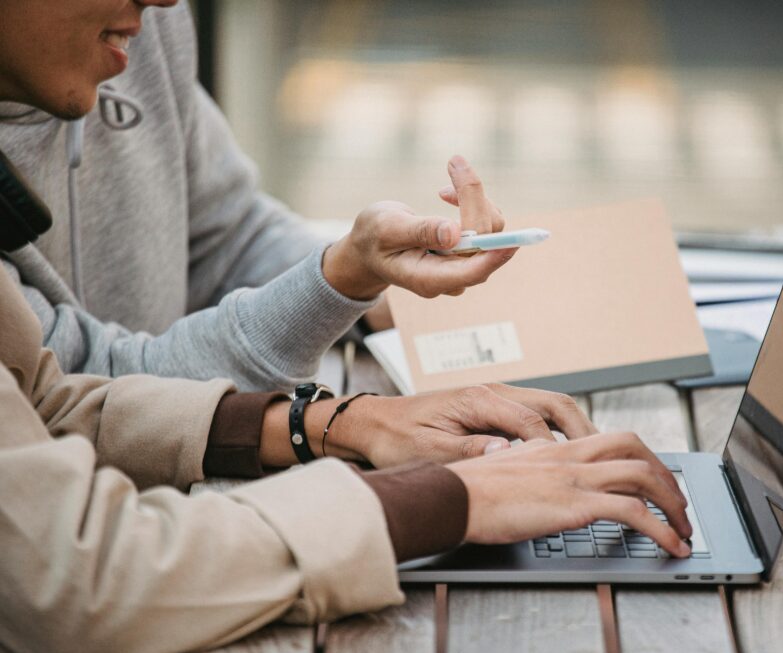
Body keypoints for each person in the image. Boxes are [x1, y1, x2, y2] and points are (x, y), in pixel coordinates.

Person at [0, 1, 693, 653]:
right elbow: (73, 582)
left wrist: (331, 411)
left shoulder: (136, 35)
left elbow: (52, 397)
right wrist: (447, 498)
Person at [0, 0, 506, 392]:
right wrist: (341, 279)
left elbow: (227, 235)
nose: (165, 3)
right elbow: (81, 390)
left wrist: (386, 279)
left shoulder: (140, 35)